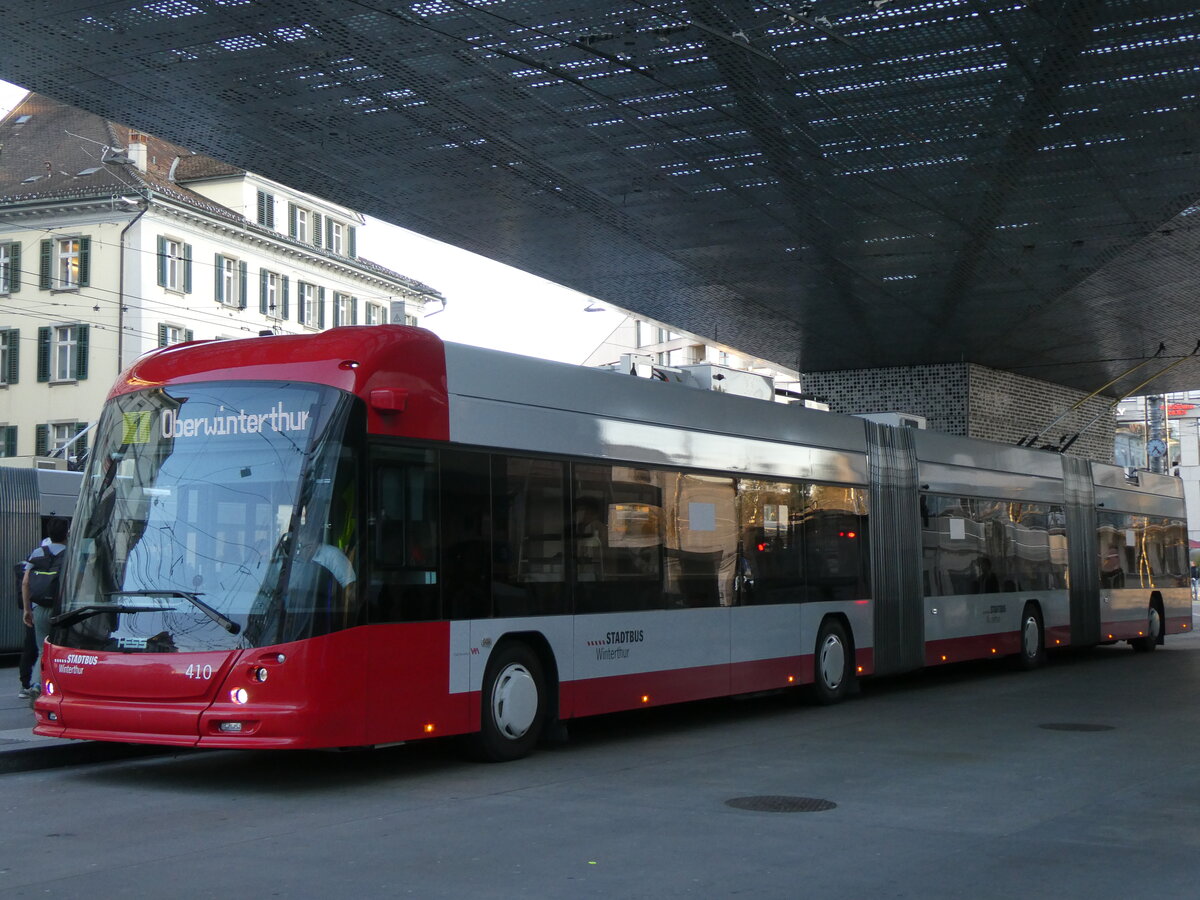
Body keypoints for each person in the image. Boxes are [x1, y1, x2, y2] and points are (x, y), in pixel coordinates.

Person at [21, 517, 69, 700]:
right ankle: (60, 686)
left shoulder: (37, 552)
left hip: (40, 608)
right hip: (63, 610)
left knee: (42, 649)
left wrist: (27, 609)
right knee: (64, 650)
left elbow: (26, 582)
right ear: (67, 534)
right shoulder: (71, 554)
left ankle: (36, 684)